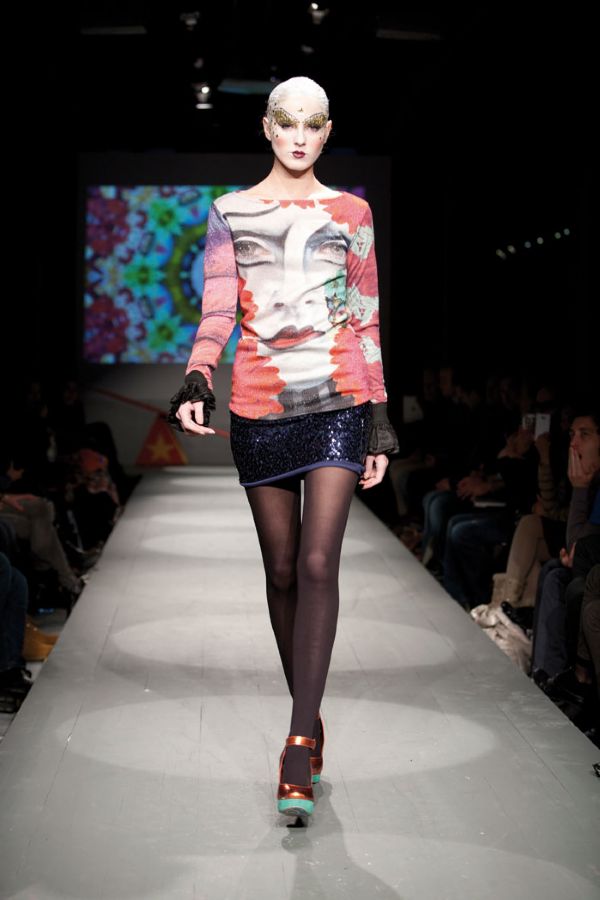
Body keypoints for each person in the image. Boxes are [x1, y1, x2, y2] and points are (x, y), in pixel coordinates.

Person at [168, 76, 398, 820]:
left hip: (338, 399)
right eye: (287, 123)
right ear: (268, 129)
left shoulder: (352, 212)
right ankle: (311, 708)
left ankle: (298, 740)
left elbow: (364, 317)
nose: (300, 136)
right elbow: (217, 310)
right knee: (281, 568)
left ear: (328, 132)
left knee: (318, 562)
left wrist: (378, 417)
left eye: (313, 124)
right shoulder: (230, 211)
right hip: (259, 405)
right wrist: (198, 373)